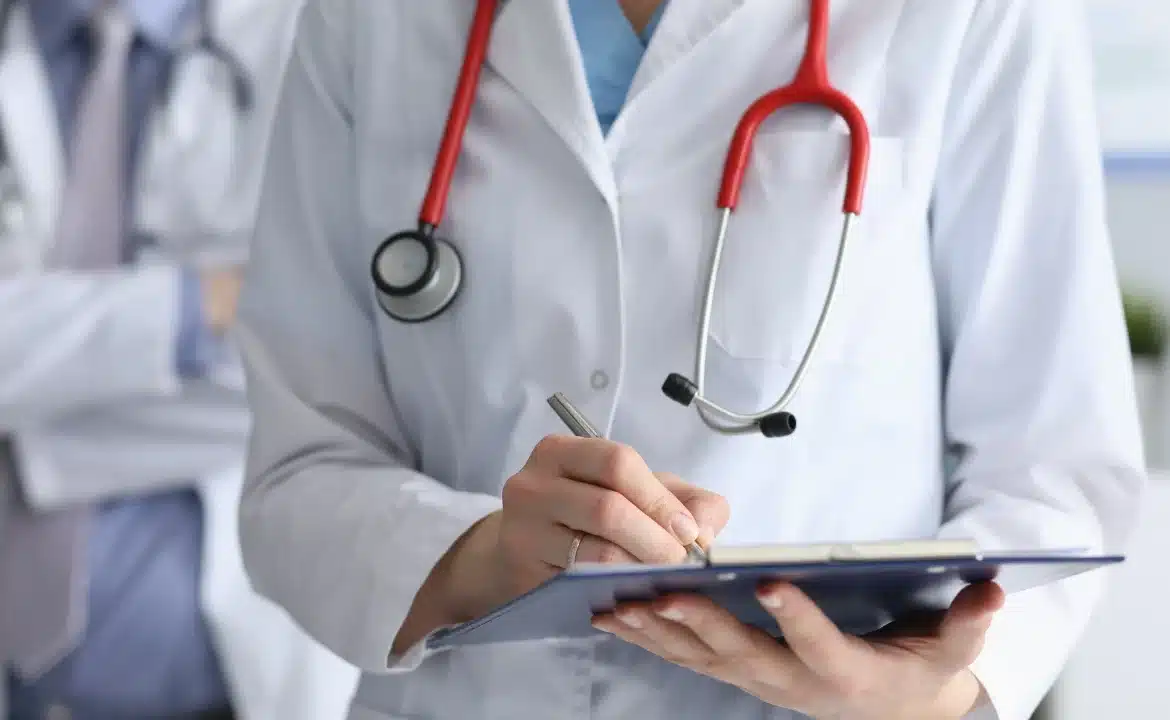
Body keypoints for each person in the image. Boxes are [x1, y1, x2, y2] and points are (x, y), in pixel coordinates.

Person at [234, 0, 1146, 718]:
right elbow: (301, 470)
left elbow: (1053, 462)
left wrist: (929, 695)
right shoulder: (366, 19)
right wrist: (480, 557)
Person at [0, 1, 358, 718]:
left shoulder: (322, 36)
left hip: (231, 668)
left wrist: (33, 400)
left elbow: (329, 362)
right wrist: (194, 311)